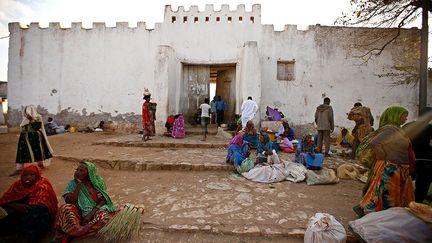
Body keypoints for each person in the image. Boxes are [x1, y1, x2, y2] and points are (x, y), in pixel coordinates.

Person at [353, 106, 414, 217]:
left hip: (398, 166)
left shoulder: (397, 129)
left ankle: (377, 214)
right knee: (386, 195)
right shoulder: (390, 129)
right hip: (391, 167)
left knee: (384, 193)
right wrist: (382, 156)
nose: (406, 119)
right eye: (404, 116)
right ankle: (374, 215)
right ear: (395, 116)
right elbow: (375, 142)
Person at [54, 161, 117, 242]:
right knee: (64, 208)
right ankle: (78, 230)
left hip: (96, 211)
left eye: (81, 171)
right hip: (79, 213)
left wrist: (90, 214)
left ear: (89, 173)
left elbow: (104, 199)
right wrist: (78, 185)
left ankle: (81, 230)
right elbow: (70, 202)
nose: (77, 172)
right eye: (77, 170)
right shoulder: (72, 184)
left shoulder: (98, 181)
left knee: (105, 217)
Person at [0, 165, 58, 241]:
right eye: (25, 175)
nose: (28, 177)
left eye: (32, 175)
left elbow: (43, 204)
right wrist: (14, 206)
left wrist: (26, 208)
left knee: (37, 210)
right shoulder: (17, 185)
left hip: (37, 215)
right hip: (20, 212)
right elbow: (5, 200)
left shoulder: (42, 185)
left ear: (37, 176)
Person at [10, 105, 54, 176]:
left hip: (36, 137)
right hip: (24, 137)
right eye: (25, 112)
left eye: (28, 111)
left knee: (38, 151)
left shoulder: (38, 117)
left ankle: (40, 165)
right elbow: (23, 127)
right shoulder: (25, 118)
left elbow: (37, 127)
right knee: (21, 152)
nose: (27, 113)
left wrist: (31, 119)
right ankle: (19, 169)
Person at [403, 107, 432, 203]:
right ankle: (416, 204)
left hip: (407, 158)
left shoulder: (407, 126)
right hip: (426, 160)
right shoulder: (430, 128)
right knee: (422, 184)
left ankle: (403, 201)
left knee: (405, 181)